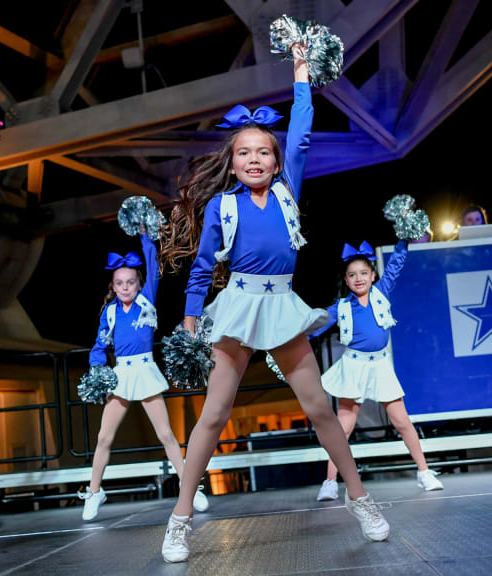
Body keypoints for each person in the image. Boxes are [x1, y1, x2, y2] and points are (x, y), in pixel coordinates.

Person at [158, 44, 389, 563]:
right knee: (214, 415)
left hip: (283, 306)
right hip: (238, 306)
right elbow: (200, 268)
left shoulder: (289, 190)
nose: (255, 159)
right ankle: (179, 520)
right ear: (233, 161)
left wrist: (301, 72)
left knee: (319, 410)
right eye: (245, 153)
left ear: (276, 160)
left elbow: (302, 128)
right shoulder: (222, 204)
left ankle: (361, 499)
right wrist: (192, 318)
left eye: (264, 152)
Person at [79, 233, 208, 521]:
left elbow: (151, 260)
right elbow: (99, 346)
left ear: (139, 284)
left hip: (146, 371)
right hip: (121, 375)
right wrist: (98, 368)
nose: (125, 287)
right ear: (113, 286)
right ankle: (94, 492)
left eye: (130, 282)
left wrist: (144, 233)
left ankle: (190, 490)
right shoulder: (110, 313)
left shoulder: (147, 300)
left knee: (166, 435)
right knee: (103, 438)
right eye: (120, 283)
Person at [311, 240, 443, 502]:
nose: (358, 278)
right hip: (354, 366)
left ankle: (424, 472)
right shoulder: (341, 308)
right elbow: (313, 327)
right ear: (346, 281)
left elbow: (396, 264)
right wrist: (289, 340)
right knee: (343, 428)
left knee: (402, 422)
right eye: (352, 275)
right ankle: (329, 481)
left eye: (363, 273)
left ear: (372, 275)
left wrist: (404, 239)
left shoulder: (382, 291)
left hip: (381, 365)